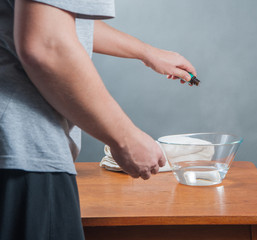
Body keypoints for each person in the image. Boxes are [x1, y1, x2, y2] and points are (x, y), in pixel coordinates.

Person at [0, 0, 197, 239]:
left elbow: (53, 19)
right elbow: (47, 43)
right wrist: (125, 138)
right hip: (23, 151)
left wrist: (146, 52)